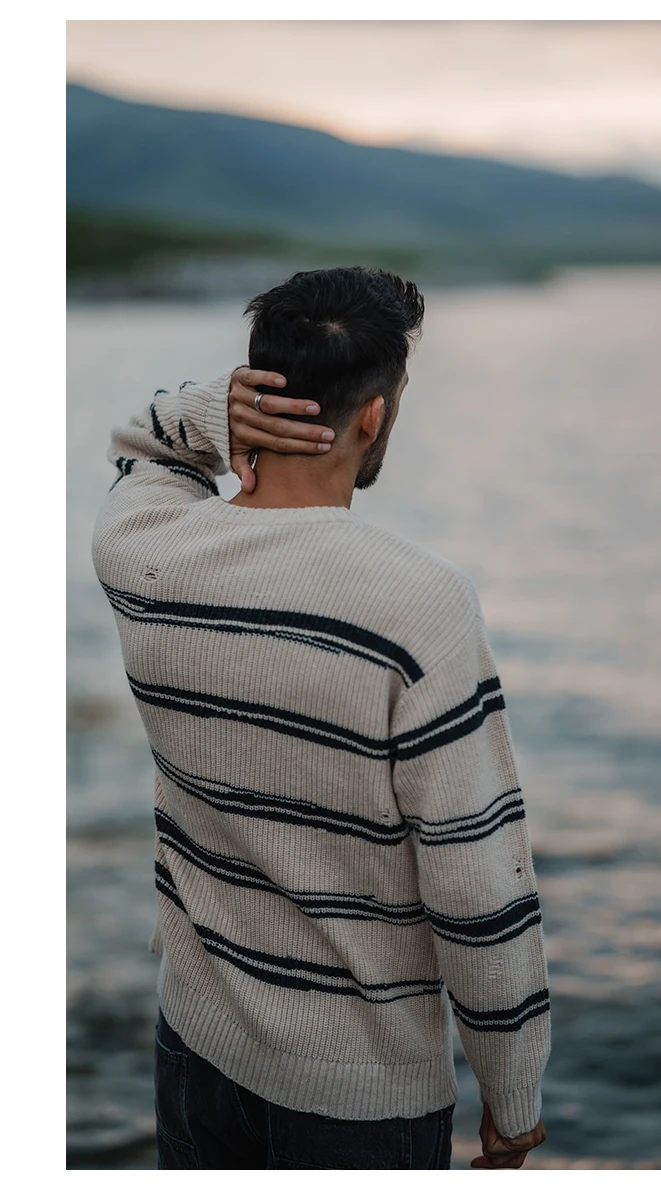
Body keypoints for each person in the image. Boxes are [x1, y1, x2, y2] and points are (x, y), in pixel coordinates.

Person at [92, 266, 551, 1170]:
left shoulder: (141, 553)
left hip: (196, 1050)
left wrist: (215, 413)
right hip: (359, 1100)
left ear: (254, 388)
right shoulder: (419, 609)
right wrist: (513, 1095)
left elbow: (142, 447)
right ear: (374, 414)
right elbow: (476, 887)